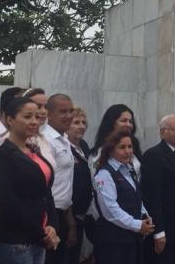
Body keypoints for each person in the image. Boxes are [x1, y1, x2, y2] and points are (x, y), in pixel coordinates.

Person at [0, 96, 60, 264]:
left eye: (37, 117)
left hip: (38, 239)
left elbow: (46, 192)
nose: (34, 121)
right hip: (15, 241)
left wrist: (52, 226)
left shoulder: (34, 150)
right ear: (10, 119)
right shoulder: (2, 155)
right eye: (27, 117)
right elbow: (9, 201)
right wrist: (42, 232)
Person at [93, 129, 156, 264]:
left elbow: (136, 197)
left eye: (130, 147)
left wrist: (145, 215)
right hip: (114, 242)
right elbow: (110, 210)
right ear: (110, 150)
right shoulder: (104, 174)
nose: (128, 151)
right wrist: (137, 224)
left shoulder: (129, 170)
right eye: (122, 147)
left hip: (132, 238)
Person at [141, 114, 175, 264]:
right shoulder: (154, 155)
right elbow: (152, 197)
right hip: (164, 230)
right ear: (162, 132)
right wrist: (158, 232)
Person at [43, 94, 76, 264]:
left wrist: (70, 221)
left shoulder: (64, 139)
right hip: (48, 214)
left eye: (71, 111)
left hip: (63, 213)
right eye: (63, 111)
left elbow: (65, 182)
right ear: (48, 113)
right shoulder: (46, 140)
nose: (69, 116)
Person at [66, 106, 93, 264]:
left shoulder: (84, 146)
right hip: (69, 215)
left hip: (85, 212)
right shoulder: (63, 147)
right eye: (76, 122)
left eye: (83, 122)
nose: (81, 126)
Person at [91, 104, 142, 173]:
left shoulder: (135, 145)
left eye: (130, 121)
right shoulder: (99, 152)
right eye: (124, 121)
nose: (128, 125)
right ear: (112, 122)